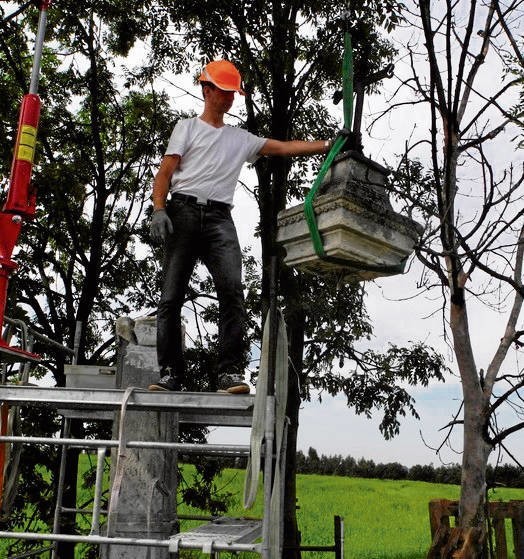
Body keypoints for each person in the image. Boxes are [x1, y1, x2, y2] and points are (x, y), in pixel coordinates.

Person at [148, 59, 331, 394]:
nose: (231, 98)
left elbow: (283, 147)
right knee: (171, 296)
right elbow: (165, 172)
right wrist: (159, 209)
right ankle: (171, 373)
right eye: (224, 91)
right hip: (184, 211)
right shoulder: (186, 128)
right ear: (207, 90)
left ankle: (229, 373)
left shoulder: (240, 138)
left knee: (232, 291)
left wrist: (326, 146)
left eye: (234, 93)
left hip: (220, 218)